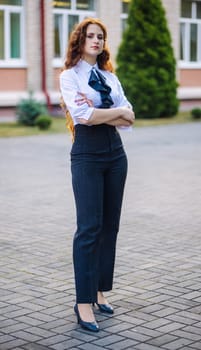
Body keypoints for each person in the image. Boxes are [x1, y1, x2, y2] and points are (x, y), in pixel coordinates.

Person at [60, 18, 134, 332]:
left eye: (100, 36)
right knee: (89, 228)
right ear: (80, 40)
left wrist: (108, 113)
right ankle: (82, 302)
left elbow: (129, 117)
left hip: (116, 155)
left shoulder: (108, 77)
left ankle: (100, 291)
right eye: (90, 36)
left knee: (109, 227)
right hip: (87, 155)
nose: (96, 40)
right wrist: (111, 113)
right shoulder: (69, 77)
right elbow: (83, 116)